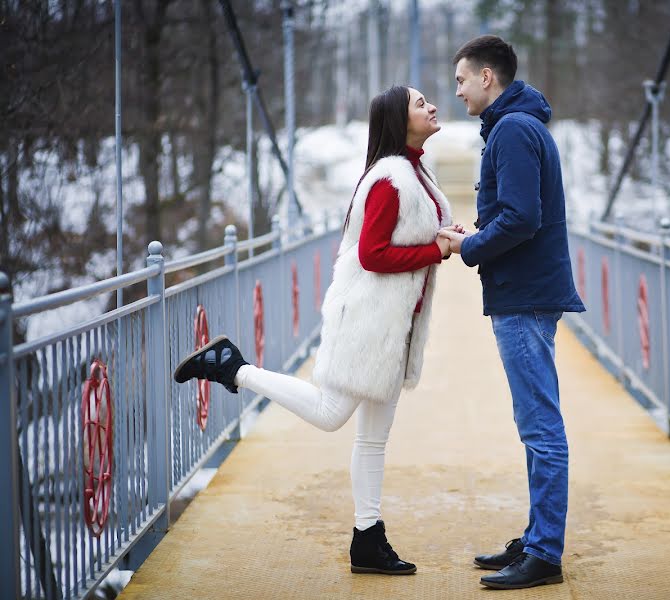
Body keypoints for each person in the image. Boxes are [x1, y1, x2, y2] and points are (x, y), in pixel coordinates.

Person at [174, 85, 462, 576]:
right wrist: (437, 250)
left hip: (396, 329)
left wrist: (454, 238)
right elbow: (373, 255)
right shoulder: (390, 179)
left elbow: (418, 237)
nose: (432, 106)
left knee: (373, 440)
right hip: (370, 321)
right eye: (419, 103)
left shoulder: (418, 172)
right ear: (399, 118)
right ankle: (234, 368)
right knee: (331, 414)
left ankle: (367, 541)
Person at [439, 35, 585, 590]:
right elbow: (517, 215)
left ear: (486, 77)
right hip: (523, 291)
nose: (457, 92)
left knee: (541, 427)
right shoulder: (516, 127)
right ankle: (536, 536)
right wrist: (476, 235)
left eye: (461, 81)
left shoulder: (514, 130)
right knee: (534, 425)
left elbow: (522, 218)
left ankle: (545, 553)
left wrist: (468, 247)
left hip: (524, 296)